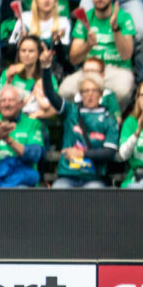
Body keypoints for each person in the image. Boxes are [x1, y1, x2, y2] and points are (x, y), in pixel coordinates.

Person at [41, 56, 119, 188]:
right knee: (58, 189)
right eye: (85, 91)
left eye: (94, 91)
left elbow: (109, 152)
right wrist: (46, 68)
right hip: (68, 175)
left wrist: (82, 153)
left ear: (101, 94)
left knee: (93, 191)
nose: (90, 94)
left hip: (94, 178)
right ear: (80, 94)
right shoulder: (71, 110)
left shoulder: (109, 120)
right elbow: (50, 94)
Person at [63, 0, 137, 101]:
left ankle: (113, 119)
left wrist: (115, 29)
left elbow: (126, 55)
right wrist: (88, 45)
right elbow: (74, 59)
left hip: (116, 70)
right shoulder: (84, 18)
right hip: (90, 71)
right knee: (64, 90)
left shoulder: (124, 17)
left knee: (122, 91)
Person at [0, 83, 45, 186]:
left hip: (22, 179)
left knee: (18, 194)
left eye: (11, 100)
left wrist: (9, 141)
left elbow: (35, 155)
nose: (7, 104)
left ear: (20, 104)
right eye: (3, 100)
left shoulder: (32, 123)